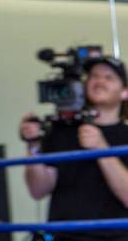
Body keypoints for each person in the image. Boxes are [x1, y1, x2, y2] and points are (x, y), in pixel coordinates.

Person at [21, 57, 128, 241]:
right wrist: (34, 145)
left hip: (114, 237)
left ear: (125, 92)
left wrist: (100, 147)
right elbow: (38, 190)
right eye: (94, 76)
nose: (99, 81)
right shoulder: (61, 131)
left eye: (109, 77)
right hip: (62, 236)